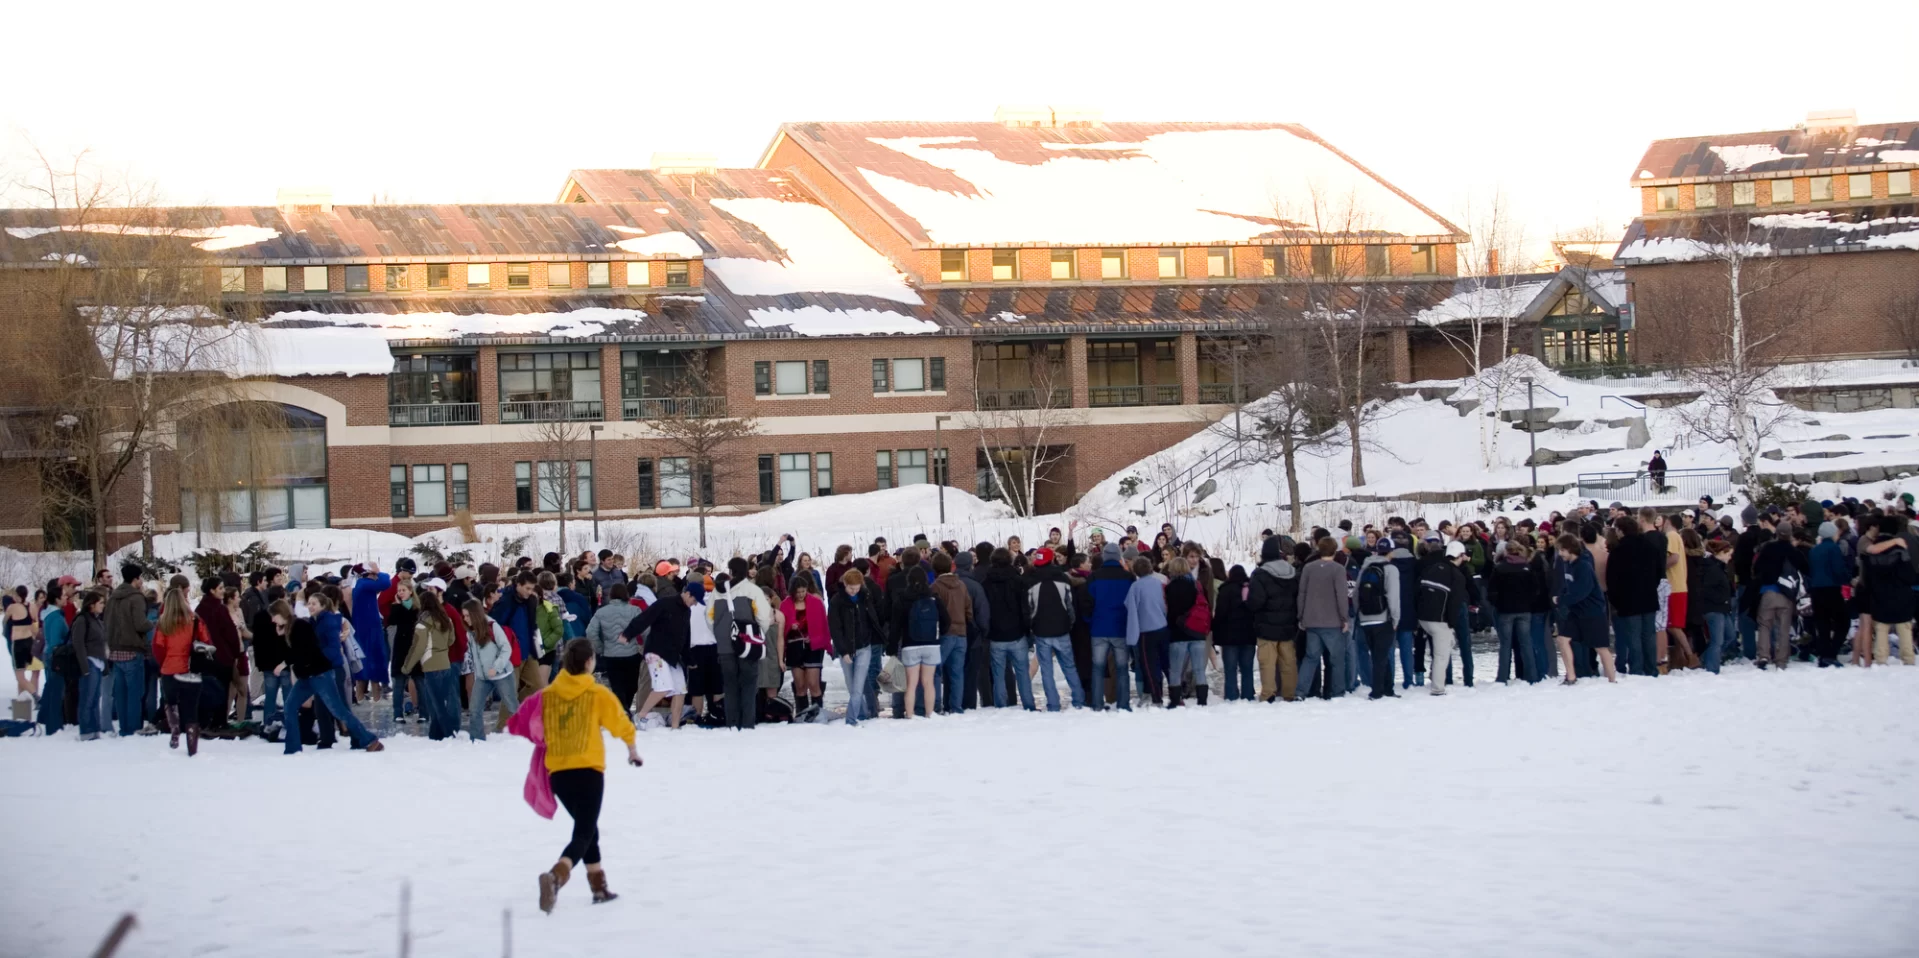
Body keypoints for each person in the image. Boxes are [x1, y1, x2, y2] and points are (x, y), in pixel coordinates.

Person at [533, 638, 641, 913]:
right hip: (588, 770)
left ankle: (599, 888)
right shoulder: (596, 693)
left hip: (558, 772)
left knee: (587, 828)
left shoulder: (550, 694)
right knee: (584, 831)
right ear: (589, 662)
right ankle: (556, 876)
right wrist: (632, 750)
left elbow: (538, 726)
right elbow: (620, 722)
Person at [283, 595, 383, 754]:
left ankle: (364, 738)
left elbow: (332, 648)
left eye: (314, 603)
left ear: (323, 605)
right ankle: (329, 740)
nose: (310, 606)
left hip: (327, 669)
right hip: (316, 670)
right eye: (309, 603)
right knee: (330, 709)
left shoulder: (328, 621)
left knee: (338, 709)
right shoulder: (315, 621)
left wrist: (320, 661)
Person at [625, 577, 690, 729]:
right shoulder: (661, 603)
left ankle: (675, 726)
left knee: (680, 689)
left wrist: (689, 658)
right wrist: (629, 634)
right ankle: (640, 716)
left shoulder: (686, 611)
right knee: (661, 686)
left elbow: (686, 636)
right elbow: (644, 620)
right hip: (656, 651)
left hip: (673, 655)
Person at [1023, 547, 1083, 711]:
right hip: (1062, 629)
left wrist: (1032, 626)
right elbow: (1070, 605)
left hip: (1042, 631)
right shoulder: (1063, 578)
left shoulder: (1031, 581)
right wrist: (1069, 624)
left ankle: (1053, 704)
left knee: (1047, 671)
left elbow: (1030, 609)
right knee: (1069, 667)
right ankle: (1078, 701)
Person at [1245, 535, 1300, 702]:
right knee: (1288, 663)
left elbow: (1256, 601)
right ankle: (1290, 693)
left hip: (1266, 626)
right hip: (1288, 625)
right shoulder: (1292, 572)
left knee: (1267, 663)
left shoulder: (1260, 574)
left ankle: (1268, 693)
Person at [1554, 534, 1616, 683]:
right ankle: (1571, 676)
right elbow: (1568, 586)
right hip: (1576, 611)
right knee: (1562, 640)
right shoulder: (1568, 564)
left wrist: (1561, 600)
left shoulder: (1584, 566)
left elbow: (1582, 591)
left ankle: (1612, 680)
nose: (1560, 554)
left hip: (1592, 612)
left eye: (1562, 550)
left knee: (1601, 648)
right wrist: (1561, 595)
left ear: (1570, 549)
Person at [1607, 517, 1663, 677]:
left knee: (1634, 637)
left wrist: (1616, 600)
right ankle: (1651, 668)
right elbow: (1659, 572)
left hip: (1628, 601)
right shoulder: (1650, 547)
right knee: (1649, 636)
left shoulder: (1618, 551)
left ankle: (1637, 669)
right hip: (1649, 596)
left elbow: (1612, 579)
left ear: (1621, 530)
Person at [151, 588, 205, 755]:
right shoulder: (195, 620)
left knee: (171, 702)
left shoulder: (163, 622)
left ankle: (174, 730)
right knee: (191, 708)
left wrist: (164, 663)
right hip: (190, 670)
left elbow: (157, 647)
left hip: (169, 669)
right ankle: (192, 746)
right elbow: (205, 641)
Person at [890, 548, 943, 720]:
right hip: (931, 644)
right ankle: (929, 713)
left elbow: (895, 625)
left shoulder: (902, 598)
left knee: (911, 684)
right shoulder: (934, 597)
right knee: (928, 683)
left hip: (909, 644)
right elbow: (946, 619)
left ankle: (910, 715)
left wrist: (891, 646)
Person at [829, 568, 886, 725]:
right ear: (845, 584)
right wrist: (843, 650)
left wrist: (879, 636)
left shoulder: (864, 597)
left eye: (857, 588)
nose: (854, 591)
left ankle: (851, 719)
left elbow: (871, 618)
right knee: (851, 684)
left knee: (858, 684)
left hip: (864, 647)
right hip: (846, 649)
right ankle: (860, 714)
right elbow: (835, 628)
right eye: (851, 588)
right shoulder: (837, 601)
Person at [103, 563, 153, 737]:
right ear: (135, 579)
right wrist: (153, 624)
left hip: (115, 650)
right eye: (140, 578)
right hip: (133, 650)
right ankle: (133, 728)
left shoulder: (113, 597)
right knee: (135, 693)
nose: (141, 581)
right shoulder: (136, 598)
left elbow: (106, 622)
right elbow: (140, 623)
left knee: (121, 693)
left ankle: (124, 728)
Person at [1750, 523, 1809, 670]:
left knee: (1764, 625)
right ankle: (1781, 660)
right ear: (1790, 534)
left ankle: (1764, 655)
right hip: (1787, 594)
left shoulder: (1768, 548)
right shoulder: (1794, 551)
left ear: (1776, 533)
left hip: (1768, 592)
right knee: (1784, 628)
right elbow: (1806, 569)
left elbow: (1757, 568)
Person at [1295, 539, 1349, 700]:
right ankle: (1337, 691)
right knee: (1336, 658)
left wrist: (1301, 615)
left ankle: (1301, 691)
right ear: (1334, 550)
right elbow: (1341, 595)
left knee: (1311, 658)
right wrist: (1344, 617)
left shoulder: (1308, 568)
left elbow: (1302, 593)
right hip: (1332, 621)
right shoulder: (1338, 569)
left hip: (1311, 620)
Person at [403, 589, 460, 740]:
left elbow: (417, 648)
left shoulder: (423, 623)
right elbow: (451, 640)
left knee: (437, 705)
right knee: (441, 702)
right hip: (445, 663)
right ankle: (435, 736)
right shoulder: (446, 620)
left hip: (430, 666)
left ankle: (449, 736)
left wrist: (407, 667)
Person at [981, 548, 1033, 710]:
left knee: (998, 674)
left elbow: (985, 610)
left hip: (996, 635)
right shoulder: (1018, 581)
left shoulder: (986, 583)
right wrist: (1027, 630)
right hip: (1017, 634)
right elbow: (1025, 608)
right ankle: (1028, 705)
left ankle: (1001, 706)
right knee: (1023, 673)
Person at [1415, 541, 1470, 696]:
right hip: (1439, 620)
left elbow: (1417, 592)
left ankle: (1434, 677)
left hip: (1422, 618)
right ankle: (1438, 687)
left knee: (1445, 645)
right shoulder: (1457, 576)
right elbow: (1455, 603)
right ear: (1459, 556)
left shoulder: (1431, 569)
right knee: (1441, 655)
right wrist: (1452, 624)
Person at [1085, 543, 1135, 711]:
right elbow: (1132, 604)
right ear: (1119, 557)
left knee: (1097, 668)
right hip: (1121, 628)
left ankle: (1097, 704)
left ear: (1104, 557)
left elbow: (1087, 603)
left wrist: (1089, 621)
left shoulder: (1094, 577)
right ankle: (1123, 704)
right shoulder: (1128, 577)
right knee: (1122, 669)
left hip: (1099, 628)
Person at [1861, 516, 1915, 665]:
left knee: (1881, 628)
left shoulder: (1872, 549)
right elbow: (1909, 575)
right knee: (1904, 627)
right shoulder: (1900, 550)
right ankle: (1908, 658)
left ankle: (1880, 658)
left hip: (1879, 594)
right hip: (1901, 594)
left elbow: (1867, 575)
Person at [465, 600, 520, 740]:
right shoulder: (470, 633)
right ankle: (476, 740)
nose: (465, 619)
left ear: (475, 614)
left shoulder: (492, 626)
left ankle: (523, 737)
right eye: (464, 616)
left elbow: (506, 648)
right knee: (474, 709)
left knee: (512, 706)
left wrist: (496, 667)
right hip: (483, 677)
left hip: (502, 674)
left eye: (468, 616)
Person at [1487, 541, 1539, 684]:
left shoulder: (1500, 568)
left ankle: (1502, 677)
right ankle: (1532, 676)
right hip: (1524, 610)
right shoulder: (1527, 567)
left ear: (1506, 552)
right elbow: (1535, 590)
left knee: (1505, 645)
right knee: (1526, 643)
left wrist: (1497, 604)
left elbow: (1491, 591)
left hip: (1505, 610)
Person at [776, 579, 828, 720]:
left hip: (812, 647)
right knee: (800, 685)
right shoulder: (786, 604)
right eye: (798, 592)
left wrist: (815, 638)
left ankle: (818, 714)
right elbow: (781, 628)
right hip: (794, 647)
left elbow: (822, 624)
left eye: (803, 591)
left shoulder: (816, 603)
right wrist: (790, 626)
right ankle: (802, 714)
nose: (801, 595)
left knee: (813, 683)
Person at [585, 585, 642, 713]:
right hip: (632, 653)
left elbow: (590, 632)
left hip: (611, 655)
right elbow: (645, 630)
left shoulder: (601, 612)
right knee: (631, 685)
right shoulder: (635, 610)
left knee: (617, 685)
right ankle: (625, 709)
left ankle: (622, 710)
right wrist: (643, 647)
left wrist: (600, 648)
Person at [1354, 543, 1401, 697]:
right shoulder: (1391, 569)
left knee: (1378, 654)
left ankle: (1387, 689)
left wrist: (1358, 613)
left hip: (1365, 618)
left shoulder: (1365, 567)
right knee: (1381, 657)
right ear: (1391, 552)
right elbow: (1393, 596)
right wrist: (1395, 619)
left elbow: (1355, 593)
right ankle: (1377, 691)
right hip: (1383, 617)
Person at [1162, 556, 1209, 707]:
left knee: (1175, 670)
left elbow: (1169, 611)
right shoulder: (1196, 585)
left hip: (1178, 633)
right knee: (1199, 669)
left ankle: (1175, 700)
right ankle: (1202, 700)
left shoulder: (1170, 588)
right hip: (1197, 632)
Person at [1123, 556, 1169, 707]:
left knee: (1150, 666)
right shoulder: (1158, 583)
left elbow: (1129, 607)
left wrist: (1131, 636)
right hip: (1162, 626)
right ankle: (1176, 691)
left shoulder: (1135, 587)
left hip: (1146, 631)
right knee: (1166, 663)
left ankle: (1157, 697)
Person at [1807, 521, 1852, 667]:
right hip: (1831, 588)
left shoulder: (1814, 550)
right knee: (1843, 621)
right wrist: (1847, 578)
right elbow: (1838, 569)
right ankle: (1832, 653)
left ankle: (1824, 655)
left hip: (1816, 589)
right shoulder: (1834, 548)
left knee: (1822, 623)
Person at [1695, 538, 1735, 674]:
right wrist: (1722, 600)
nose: (1730, 558)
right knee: (1717, 640)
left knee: (1730, 636)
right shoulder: (1712, 568)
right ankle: (1712, 668)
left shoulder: (1719, 567)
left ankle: (1705, 659)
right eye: (1729, 554)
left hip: (1722, 608)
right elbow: (1706, 590)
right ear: (1722, 553)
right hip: (1713, 608)